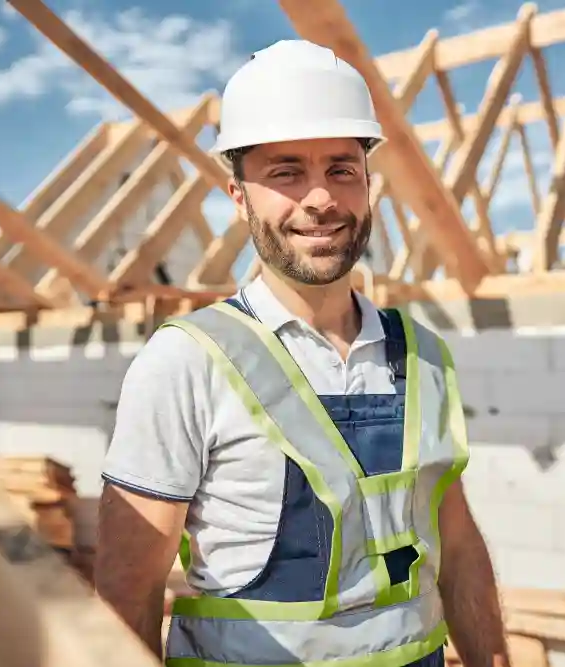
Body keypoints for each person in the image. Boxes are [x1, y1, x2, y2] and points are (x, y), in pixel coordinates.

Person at [95, 39, 510, 667]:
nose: (320, 199)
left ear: (368, 186)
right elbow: (128, 586)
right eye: (286, 172)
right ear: (239, 197)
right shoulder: (186, 362)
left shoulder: (422, 354)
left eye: (341, 169)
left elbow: (456, 541)